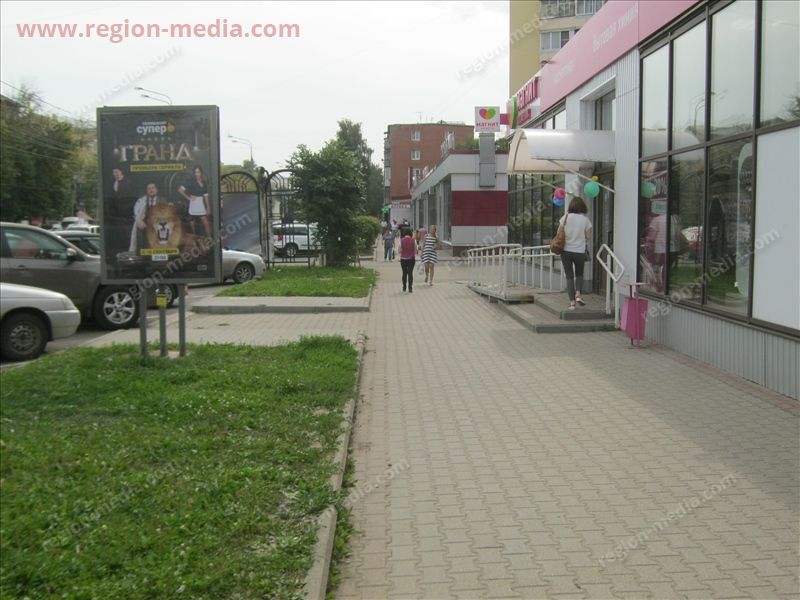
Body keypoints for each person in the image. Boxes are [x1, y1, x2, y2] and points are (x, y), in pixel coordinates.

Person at [557, 197, 592, 310]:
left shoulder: (565, 217)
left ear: (571, 206)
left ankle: (572, 303)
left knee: (569, 277)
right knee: (579, 274)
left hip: (566, 251)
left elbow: (558, 233)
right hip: (579, 252)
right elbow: (588, 237)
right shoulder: (585, 220)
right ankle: (578, 294)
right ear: (582, 207)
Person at [129, 182, 165, 252]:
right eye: (149, 188)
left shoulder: (162, 200)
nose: (151, 190)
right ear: (147, 191)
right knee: (139, 227)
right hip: (145, 225)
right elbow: (136, 212)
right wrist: (139, 221)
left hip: (158, 223)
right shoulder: (142, 200)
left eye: (153, 188)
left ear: (156, 190)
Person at [178, 165, 210, 237]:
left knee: (205, 222)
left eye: (198, 172)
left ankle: (209, 238)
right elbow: (180, 190)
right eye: (195, 172)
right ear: (193, 173)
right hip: (193, 203)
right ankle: (195, 237)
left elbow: (206, 196)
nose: (197, 174)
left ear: (201, 172)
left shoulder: (204, 182)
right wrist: (188, 197)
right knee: (192, 222)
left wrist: (208, 207)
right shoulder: (190, 181)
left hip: (201, 203)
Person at [399, 227, 417, 293]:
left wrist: (403, 251)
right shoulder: (414, 240)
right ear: (410, 233)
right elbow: (415, 251)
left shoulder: (401, 240)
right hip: (411, 259)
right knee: (410, 273)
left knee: (404, 273)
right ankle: (410, 288)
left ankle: (404, 287)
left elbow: (399, 250)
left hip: (403, 259)